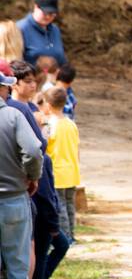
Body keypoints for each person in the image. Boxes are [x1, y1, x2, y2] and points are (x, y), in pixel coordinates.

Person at [10, 61, 65, 279]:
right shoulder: (17, 111)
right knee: (28, 251)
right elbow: (34, 149)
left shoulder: (29, 107)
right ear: (13, 83)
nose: (33, 85)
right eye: (28, 81)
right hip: (24, 189)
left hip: (33, 186)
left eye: (35, 81)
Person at [0, 69, 43, 279]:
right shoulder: (14, 116)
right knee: (17, 265)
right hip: (14, 198)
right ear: (5, 87)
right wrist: (32, 176)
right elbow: (34, 150)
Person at [42, 85, 79, 243]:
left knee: (61, 206)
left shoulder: (49, 125)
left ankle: (66, 237)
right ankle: (72, 233)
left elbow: (44, 146)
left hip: (57, 172)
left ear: (48, 105)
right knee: (70, 205)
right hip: (72, 171)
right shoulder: (71, 124)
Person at [18, 0, 67, 68]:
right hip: (30, 78)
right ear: (36, 7)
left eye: (51, 14)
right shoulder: (20, 28)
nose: (47, 17)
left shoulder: (55, 29)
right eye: (45, 13)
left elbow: (61, 59)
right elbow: (15, 63)